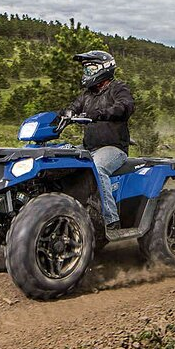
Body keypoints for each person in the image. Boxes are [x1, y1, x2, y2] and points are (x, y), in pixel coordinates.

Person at [60, 50, 135, 232]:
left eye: (90, 68)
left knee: (97, 168)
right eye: (85, 69)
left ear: (104, 68)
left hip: (114, 148)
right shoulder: (87, 95)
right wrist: (62, 115)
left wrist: (100, 113)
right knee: (59, 158)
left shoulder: (118, 88)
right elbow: (72, 108)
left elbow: (125, 106)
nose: (86, 73)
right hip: (89, 147)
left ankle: (111, 220)